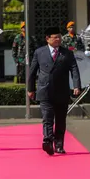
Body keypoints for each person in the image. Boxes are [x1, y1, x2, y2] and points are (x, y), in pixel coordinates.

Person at [28, 26, 81, 155]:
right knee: (47, 118)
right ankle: (47, 141)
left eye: (59, 37)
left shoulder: (67, 53)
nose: (58, 39)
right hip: (44, 90)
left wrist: (76, 85)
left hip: (61, 91)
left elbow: (74, 69)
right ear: (47, 39)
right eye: (55, 37)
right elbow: (32, 72)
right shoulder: (39, 52)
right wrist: (31, 89)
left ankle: (59, 144)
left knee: (60, 119)